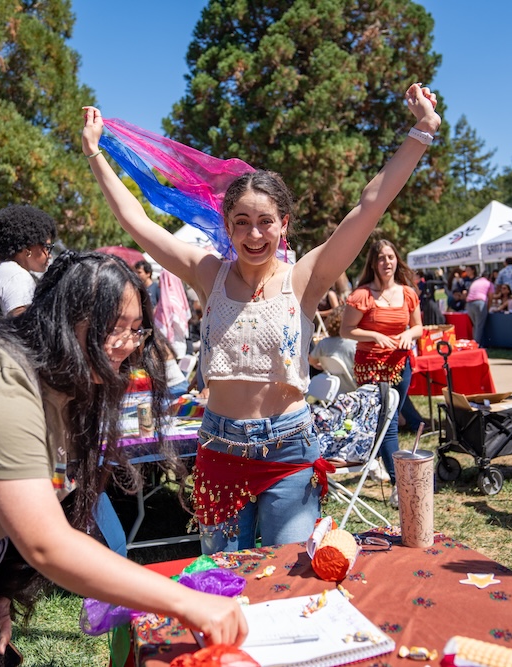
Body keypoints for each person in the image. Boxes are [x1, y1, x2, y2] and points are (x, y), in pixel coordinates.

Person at [81, 82, 441, 554]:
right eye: (243, 222)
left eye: (266, 221)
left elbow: (368, 207)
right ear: (227, 226)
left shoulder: (306, 278)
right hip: (220, 449)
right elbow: (139, 223)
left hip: (289, 452)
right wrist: (94, 155)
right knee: (225, 581)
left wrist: (422, 131)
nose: (254, 234)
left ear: (284, 224)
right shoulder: (206, 273)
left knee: (290, 582)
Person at [0, 251, 247, 662]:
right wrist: (187, 602)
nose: (127, 346)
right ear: (65, 319)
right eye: (113, 329)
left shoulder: (65, 383)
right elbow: (46, 542)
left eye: (137, 331)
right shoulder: (0, 383)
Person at [340, 240, 423, 507]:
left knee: (392, 419)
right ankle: (400, 484)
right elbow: (346, 330)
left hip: (400, 364)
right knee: (387, 423)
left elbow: (418, 327)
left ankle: (376, 461)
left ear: (396, 260)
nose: (387, 262)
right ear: (373, 263)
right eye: (381, 258)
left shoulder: (408, 293)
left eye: (390, 257)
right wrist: (375, 334)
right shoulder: (362, 295)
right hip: (371, 365)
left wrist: (409, 333)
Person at [0, 204, 57, 317]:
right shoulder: (18, 277)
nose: (50, 256)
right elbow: (24, 330)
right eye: (47, 247)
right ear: (28, 249)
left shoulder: (5, 271)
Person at [308, 305, 358, 393]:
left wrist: (325, 365)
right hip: (356, 388)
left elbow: (312, 361)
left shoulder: (324, 343)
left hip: (334, 390)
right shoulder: (355, 345)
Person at [463, 265, 493, 347]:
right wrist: (488, 308)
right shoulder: (489, 283)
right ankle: (476, 345)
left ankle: (476, 343)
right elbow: (490, 298)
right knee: (479, 326)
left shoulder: (476, 282)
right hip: (479, 303)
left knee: (475, 325)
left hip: (469, 304)